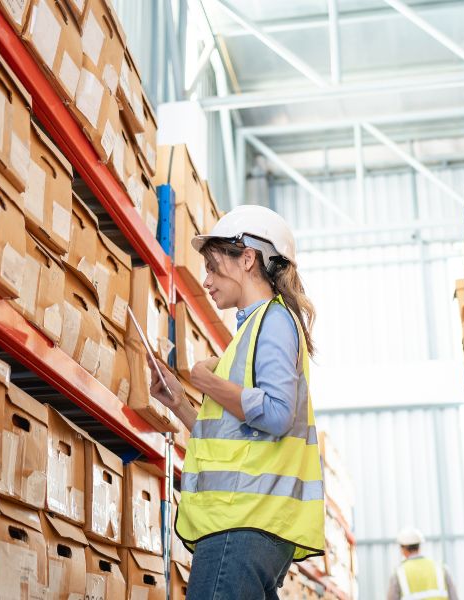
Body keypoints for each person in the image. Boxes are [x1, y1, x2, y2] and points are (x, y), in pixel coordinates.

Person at [148, 204, 325, 599]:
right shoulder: (250, 334)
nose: (206, 280)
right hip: (247, 527)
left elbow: (277, 414)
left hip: (242, 525)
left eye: (212, 266)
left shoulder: (274, 323)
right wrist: (179, 402)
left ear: (248, 258)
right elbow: (232, 440)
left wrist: (207, 381)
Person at [387, 528, 459, 600]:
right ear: (419, 546)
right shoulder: (440, 568)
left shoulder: (399, 573)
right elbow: (454, 597)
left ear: (403, 548)